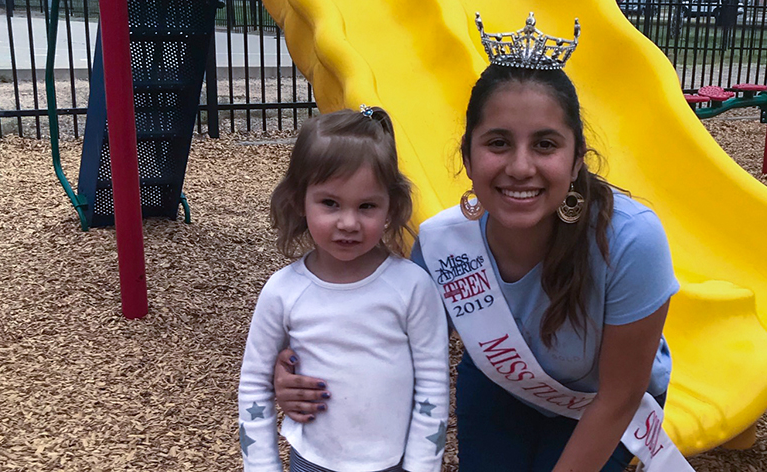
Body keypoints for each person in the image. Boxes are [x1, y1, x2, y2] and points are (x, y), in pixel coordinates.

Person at [273, 14, 692, 472]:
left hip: (602, 403)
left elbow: (619, 397)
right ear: (468, 157)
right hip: (500, 386)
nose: (520, 166)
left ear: (576, 162)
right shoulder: (442, 244)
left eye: (546, 145)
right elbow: (392, 347)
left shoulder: (631, 240)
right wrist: (295, 372)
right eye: (498, 143)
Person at [238, 106, 450, 472]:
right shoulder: (282, 291)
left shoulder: (413, 288)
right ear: (299, 201)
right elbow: (255, 384)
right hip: (312, 460)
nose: (348, 222)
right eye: (330, 203)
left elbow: (433, 386)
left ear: (391, 207)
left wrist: (422, 467)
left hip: (393, 462)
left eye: (367, 205)